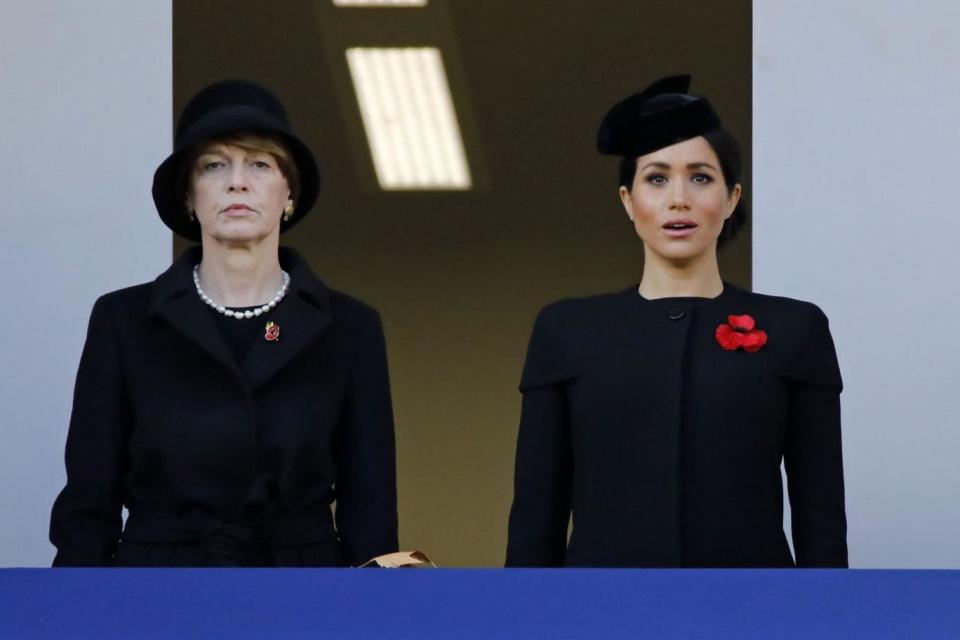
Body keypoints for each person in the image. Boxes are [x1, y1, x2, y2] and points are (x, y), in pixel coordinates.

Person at [50, 80, 398, 567]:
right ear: (190, 196)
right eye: (215, 165)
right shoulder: (122, 321)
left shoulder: (350, 329)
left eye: (260, 163)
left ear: (289, 193)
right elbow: (89, 505)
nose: (238, 182)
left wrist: (369, 617)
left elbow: (371, 508)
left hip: (303, 591)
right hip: (157, 589)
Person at [505, 76, 847, 568]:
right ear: (628, 200)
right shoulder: (567, 331)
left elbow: (822, 524)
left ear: (731, 199)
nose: (678, 198)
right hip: (599, 613)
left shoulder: (797, 329)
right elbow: (536, 519)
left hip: (755, 613)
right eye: (657, 178)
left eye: (701, 177)